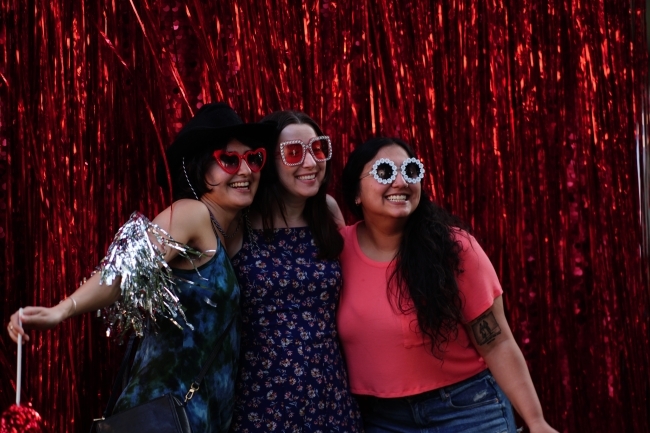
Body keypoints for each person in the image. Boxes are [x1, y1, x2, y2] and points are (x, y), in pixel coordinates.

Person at [6, 103, 275, 433]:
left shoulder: (236, 231)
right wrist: (62, 310)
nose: (246, 170)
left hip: (202, 418)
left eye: (254, 158)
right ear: (200, 168)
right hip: (162, 414)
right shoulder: (192, 214)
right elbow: (126, 269)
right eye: (229, 160)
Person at [338, 137, 559, 433]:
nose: (401, 182)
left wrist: (536, 422)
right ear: (356, 193)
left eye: (412, 171)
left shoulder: (454, 248)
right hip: (381, 420)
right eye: (384, 172)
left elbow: (496, 341)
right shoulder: (335, 252)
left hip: (467, 410)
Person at [226, 110, 361, 432]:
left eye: (317, 149)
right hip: (260, 395)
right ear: (269, 162)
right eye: (294, 153)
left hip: (331, 393)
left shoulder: (327, 210)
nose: (311, 163)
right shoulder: (238, 219)